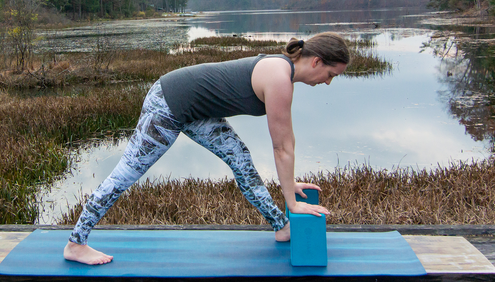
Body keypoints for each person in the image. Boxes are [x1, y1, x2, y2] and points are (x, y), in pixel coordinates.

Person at [64, 32, 351, 265]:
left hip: (196, 110)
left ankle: (281, 227)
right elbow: (282, 147)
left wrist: (290, 185)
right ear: (316, 62)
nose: (327, 82)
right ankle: (76, 244)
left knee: (240, 158)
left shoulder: (282, 71)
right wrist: (292, 201)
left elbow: (285, 145)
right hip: (168, 103)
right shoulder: (280, 77)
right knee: (126, 173)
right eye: (331, 74)